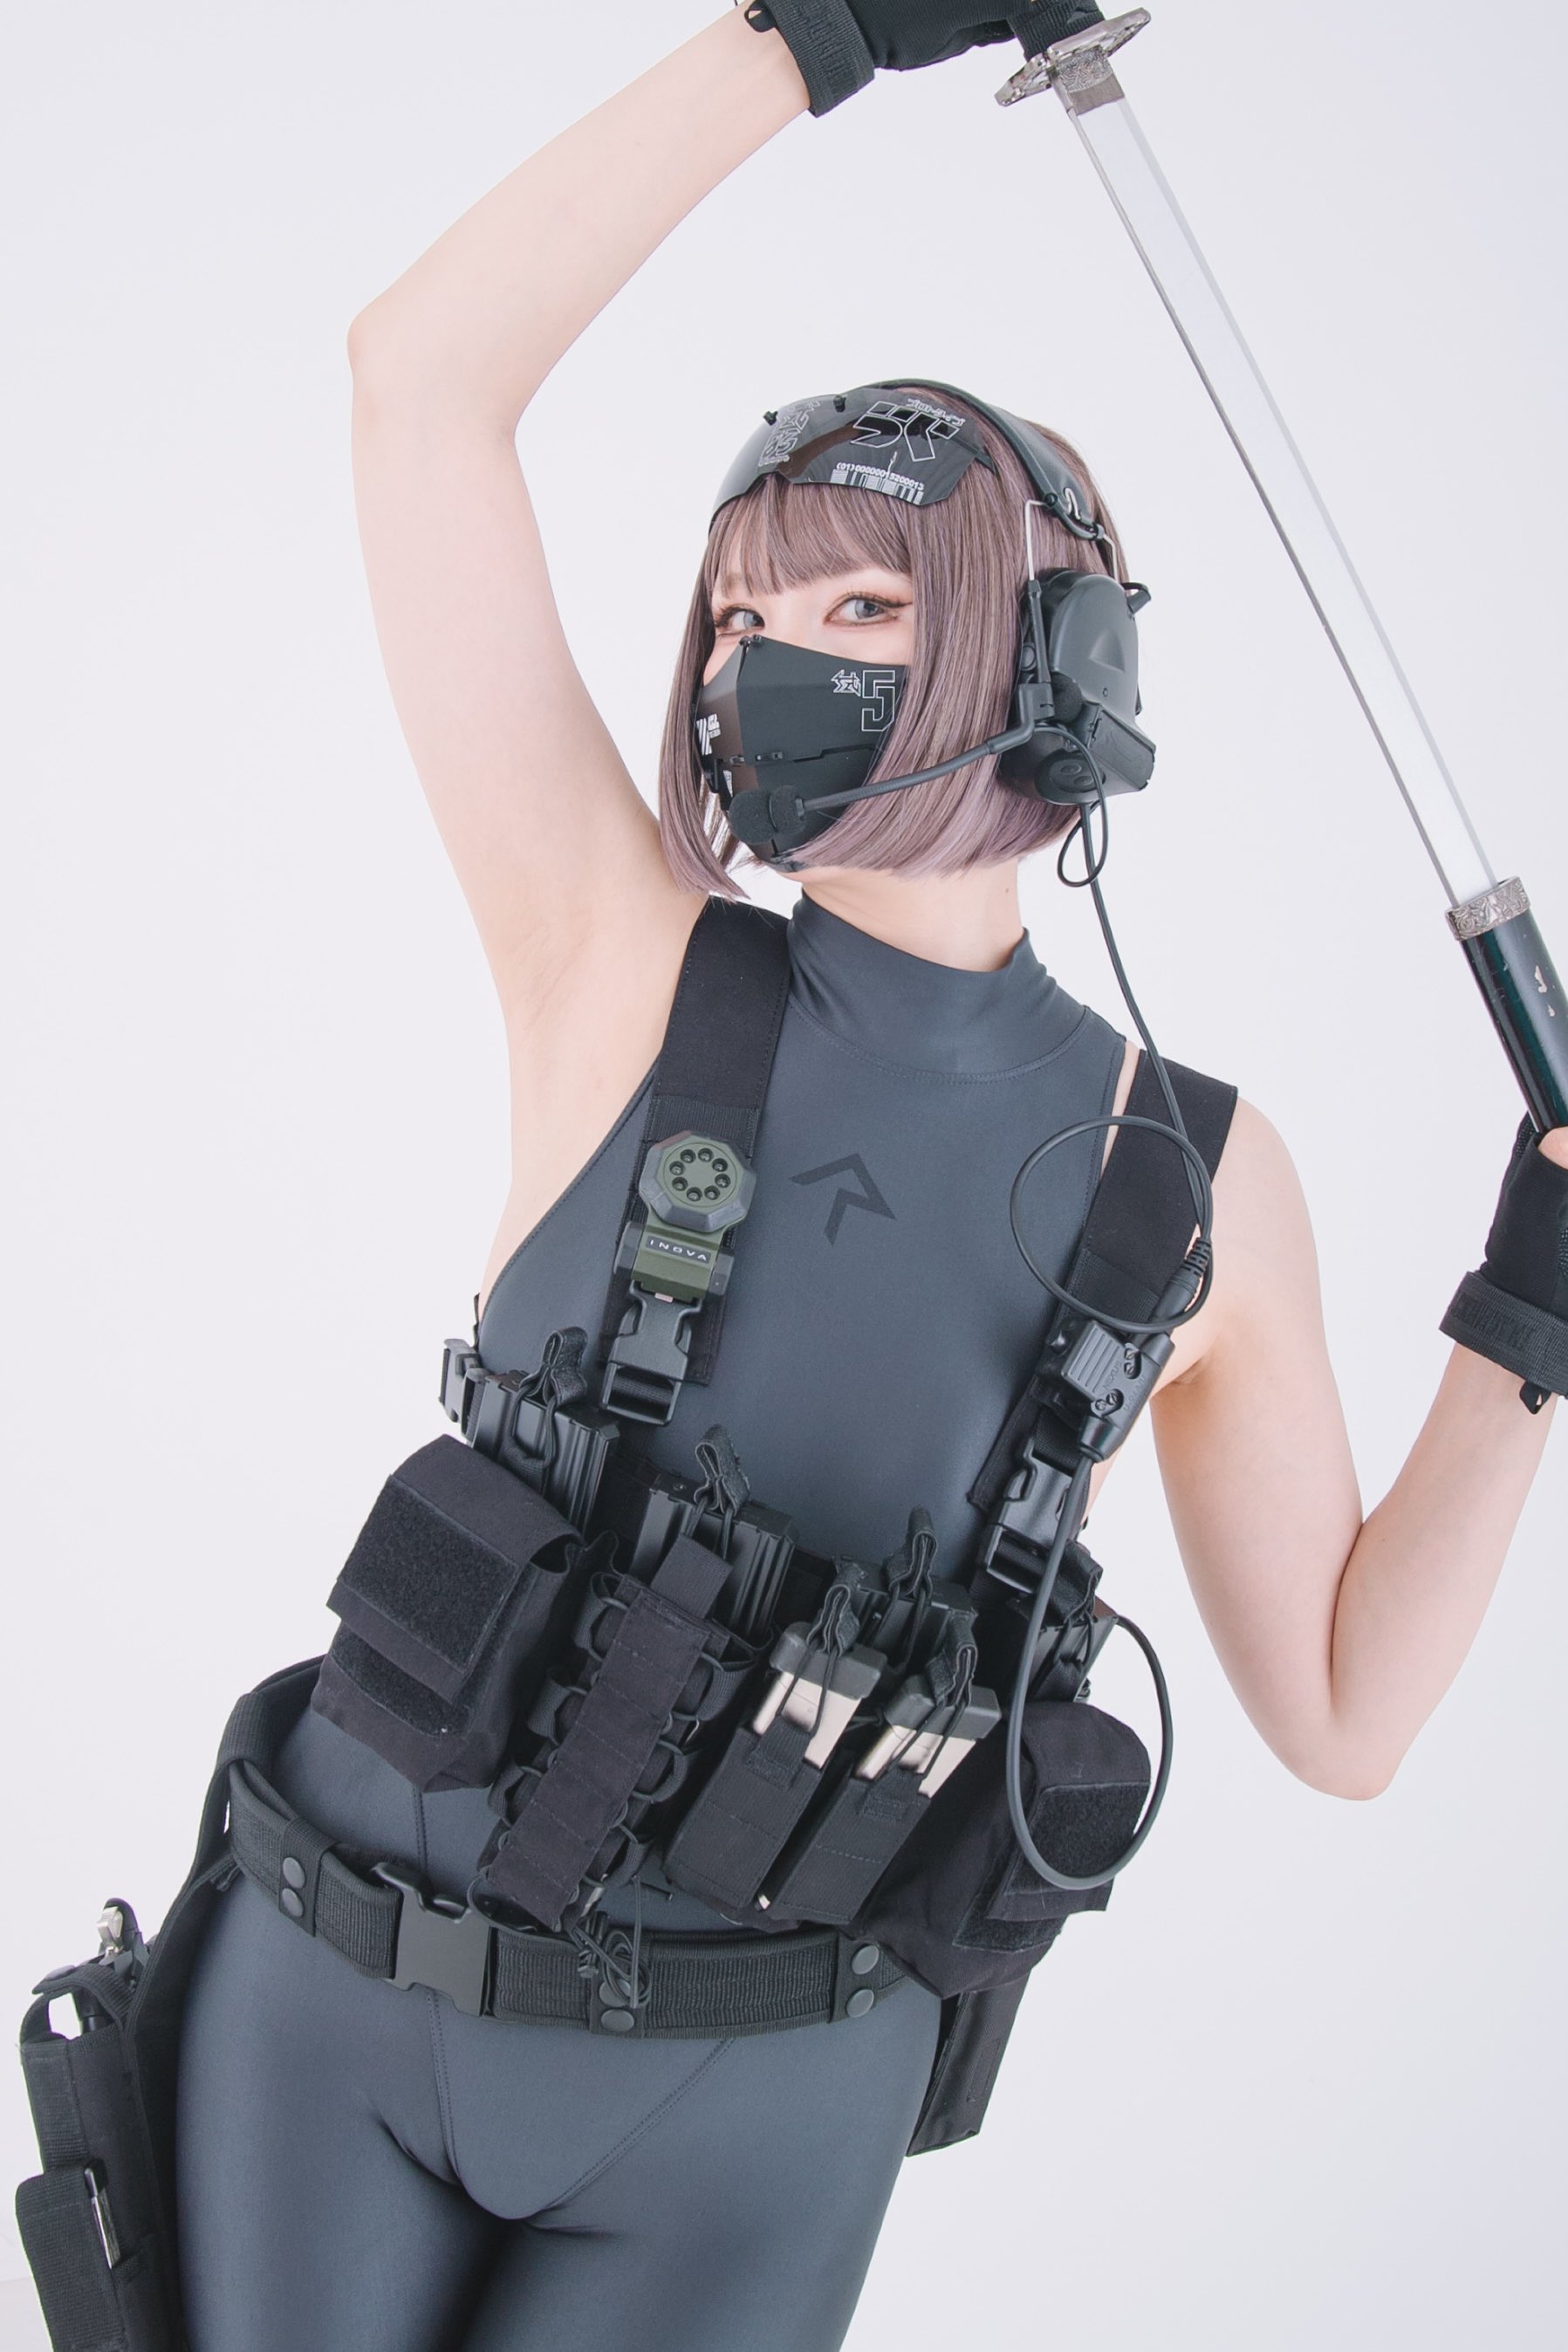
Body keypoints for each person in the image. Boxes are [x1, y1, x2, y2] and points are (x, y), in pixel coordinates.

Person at [168, 8, 1568, 2350]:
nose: (764, 662)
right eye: (741, 614)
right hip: (330, 2013)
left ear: (1055, 659)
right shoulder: (612, 950)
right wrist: (809, 38)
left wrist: (1528, 1317)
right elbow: (418, 380)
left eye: (853, 607)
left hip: (752, 2120)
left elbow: (1342, 1712)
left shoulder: (1191, 1180)